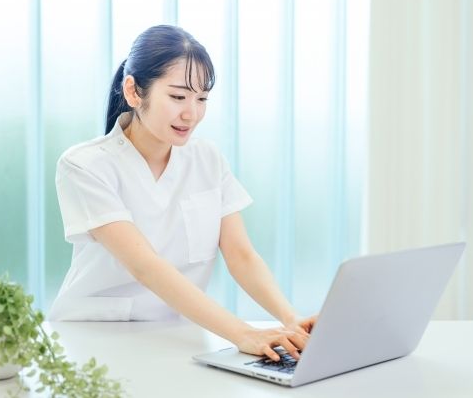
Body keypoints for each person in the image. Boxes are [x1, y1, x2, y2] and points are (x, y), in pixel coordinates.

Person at [50, 25, 317, 362]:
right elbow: (145, 266)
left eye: (201, 99)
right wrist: (243, 333)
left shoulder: (207, 159)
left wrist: (291, 319)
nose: (191, 113)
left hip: (176, 338)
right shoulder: (85, 165)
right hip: (94, 339)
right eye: (178, 97)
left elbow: (241, 255)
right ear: (133, 91)